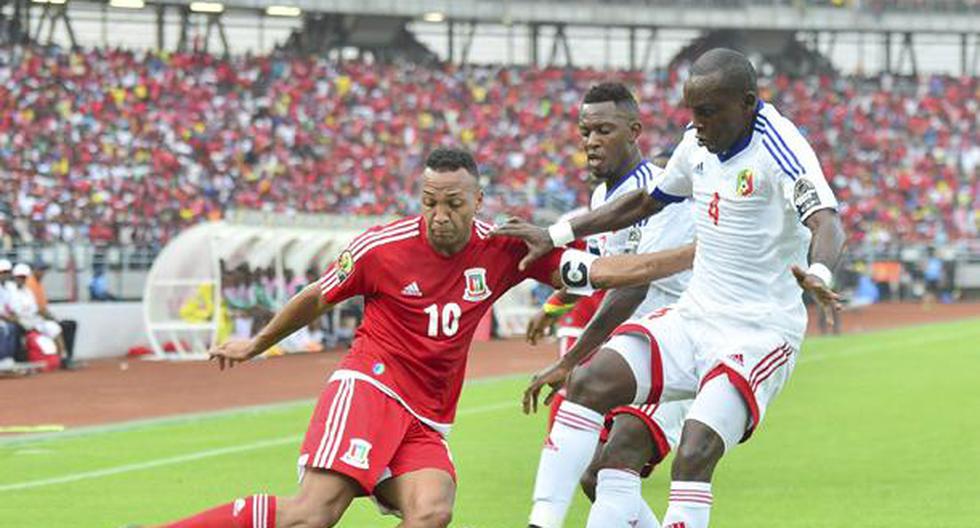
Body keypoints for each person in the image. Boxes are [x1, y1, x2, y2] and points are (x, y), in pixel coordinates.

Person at [151, 148, 694, 528]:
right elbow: (318, 295)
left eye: (453, 204)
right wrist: (258, 342)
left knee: (433, 510)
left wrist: (695, 254)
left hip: (428, 416)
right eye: (430, 201)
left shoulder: (506, 248)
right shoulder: (381, 248)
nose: (439, 216)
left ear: (478, 201)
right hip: (371, 386)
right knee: (313, 514)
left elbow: (598, 274)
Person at [498, 48, 845, 528]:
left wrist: (821, 274)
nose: (696, 124)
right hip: (693, 317)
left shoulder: (781, 150)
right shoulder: (696, 141)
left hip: (756, 332)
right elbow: (646, 200)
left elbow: (826, 221)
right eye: (691, 111)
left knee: (694, 453)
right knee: (588, 382)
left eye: (707, 112)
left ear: (746, 103)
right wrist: (557, 235)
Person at [523, 83, 695, 528]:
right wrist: (555, 307)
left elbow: (632, 286)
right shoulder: (603, 198)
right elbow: (603, 271)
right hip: (634, 352)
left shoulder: (658, 192)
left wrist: (572, 361)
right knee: (594, 478)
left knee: (612, 464)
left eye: (604, 129)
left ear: (633, 131)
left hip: (678, 344)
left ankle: (542, 521)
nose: (591, 140)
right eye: (585, 131)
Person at [27, 260, 79, 368]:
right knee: (56, 327)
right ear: (34, 270)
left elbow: (43, 307)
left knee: (69, 324)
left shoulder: (39, 284)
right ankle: (63, 358)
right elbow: (36, 309)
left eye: (44, 270)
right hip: (34, 318)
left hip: (40, 317)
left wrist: (51, 317)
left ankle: (67, 356)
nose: (43, 272)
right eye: (40, 270)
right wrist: (50, 318)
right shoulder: (30, 284)